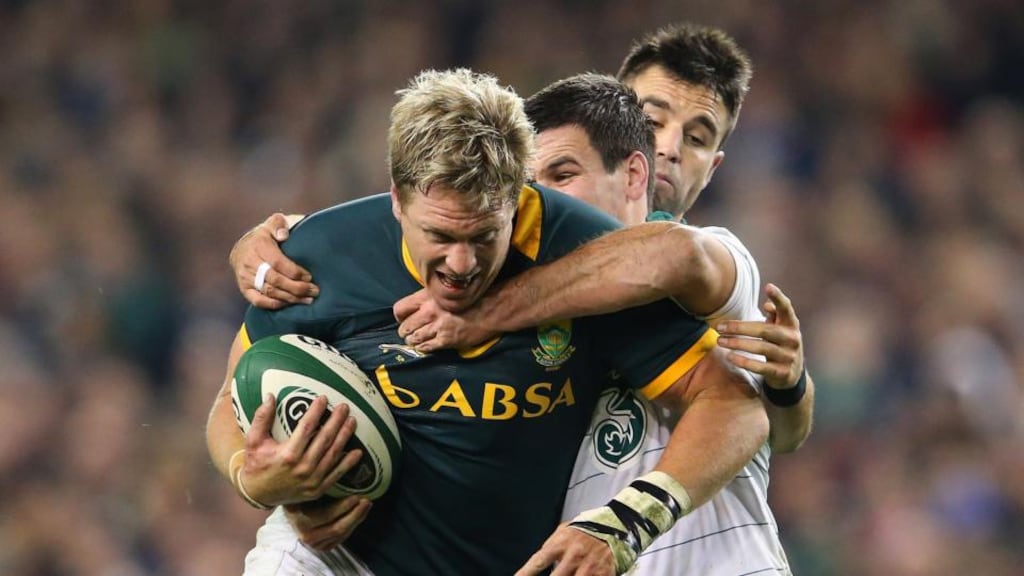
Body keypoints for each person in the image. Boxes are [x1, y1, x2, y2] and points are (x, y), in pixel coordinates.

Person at [208, 68, 768, 576]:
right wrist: (252, 476)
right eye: (441, 237)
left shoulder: (583, 256)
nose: (460, 264)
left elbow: (735, 407)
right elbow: (233, 398)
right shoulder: (322, 258)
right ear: (398, 200)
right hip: (336, 559)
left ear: (517, 197)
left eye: (483, 236)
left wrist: (627, 522)